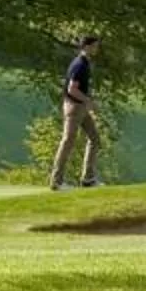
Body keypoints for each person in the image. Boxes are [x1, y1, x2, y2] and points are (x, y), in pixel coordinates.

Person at [50, 34, 103, 189]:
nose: (96, 48)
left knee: (95, 139)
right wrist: (88, 101)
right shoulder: (79, 64)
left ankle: (88, 179)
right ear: (86, 47)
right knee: (67, 142)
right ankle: (56, 181)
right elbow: (72, 89)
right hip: (74, 107)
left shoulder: (85, 63)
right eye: (94, 46)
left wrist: (89, 102)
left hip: (81, 107)